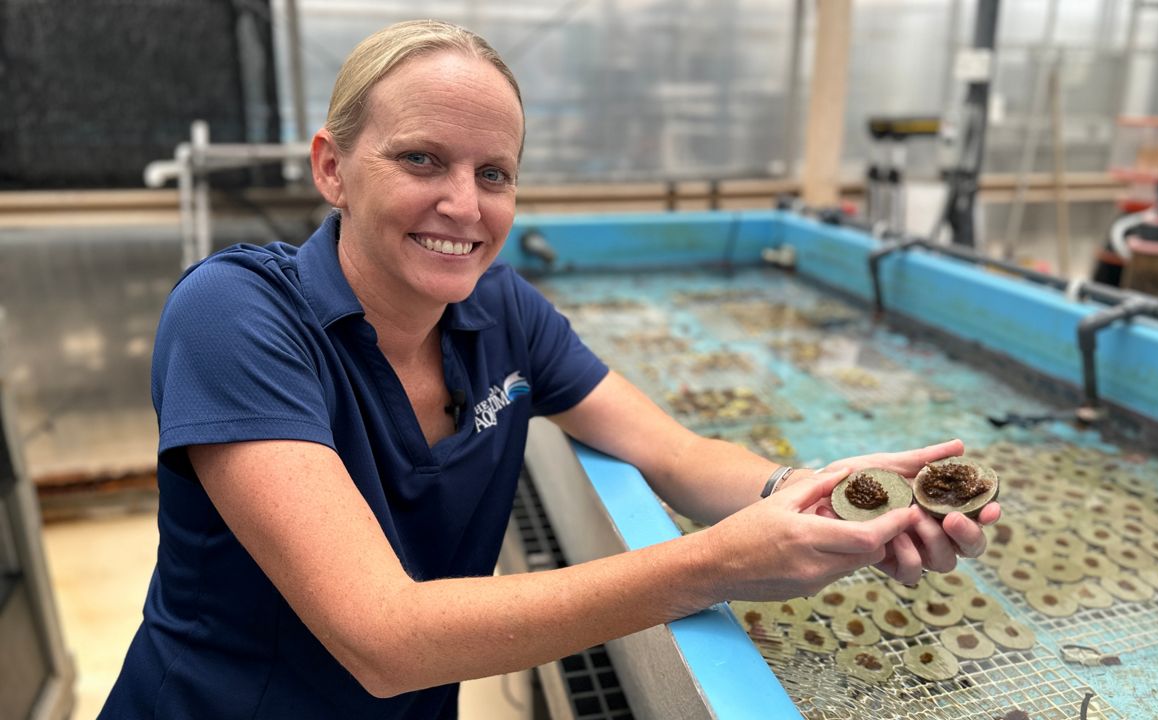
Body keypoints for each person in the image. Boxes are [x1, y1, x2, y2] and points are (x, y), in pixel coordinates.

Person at [102, 19, 1000, 719]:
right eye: (421, 158)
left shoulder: (502, 313)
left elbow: (675, 454)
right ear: (333, 168)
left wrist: (814, 493)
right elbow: (384, 637)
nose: (464, 203)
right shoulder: (237, 317)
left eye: (494, 172)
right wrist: (718, 565)